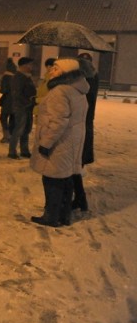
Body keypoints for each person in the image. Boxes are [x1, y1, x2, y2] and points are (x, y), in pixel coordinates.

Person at [30, 58, 89, 227]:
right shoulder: (77, 89)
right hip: (72, 140)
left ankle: (51, 216)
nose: (51, 71)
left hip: (59, 142)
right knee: (66, 179)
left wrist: (46, 143)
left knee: (52, 180)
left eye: (55, 69)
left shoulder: (60, 91)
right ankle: (64, 215)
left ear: (65, 72)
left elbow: (58, 121)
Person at [72, 52, 99, 212]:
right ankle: (80, 199)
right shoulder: (92, 78)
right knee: (74, 167)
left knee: (72, 167)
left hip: (79, 126)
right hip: (85, 125)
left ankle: (78, 199)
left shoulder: (83, 82)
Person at [8, 57, 36, 159]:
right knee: (19, 129)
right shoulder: (18, 77)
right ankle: (12, 151)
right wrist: (28, 102)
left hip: (27, 107)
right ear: (24, 65)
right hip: (21, 107)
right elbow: (16, 93)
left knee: (26, 129)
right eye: (30, 64)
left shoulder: (27, 77)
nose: (32, 67)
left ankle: (24, 150)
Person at [0, 58, 16, 143]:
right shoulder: (16, 76)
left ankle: (6, 136)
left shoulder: (6, 77)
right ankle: (12, 135)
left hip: (7, 101)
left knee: (3, 118)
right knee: (12, 118)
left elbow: (3, 90)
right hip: (15, 101)